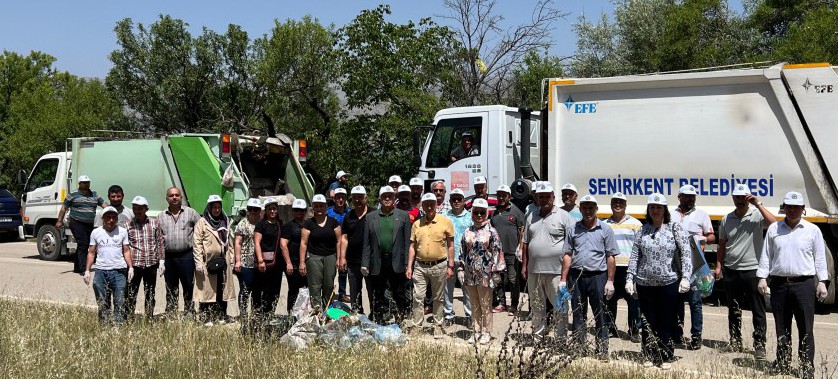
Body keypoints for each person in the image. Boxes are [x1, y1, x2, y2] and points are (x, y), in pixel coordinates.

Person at [757, 191, 828, 379]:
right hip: (779, 284)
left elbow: (820, 258)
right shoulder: (774, 229)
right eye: (789, 206)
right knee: (782, 326)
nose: (792, 210)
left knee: (805, 328)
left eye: (796, 207)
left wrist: (822, 281)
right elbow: (766, 255)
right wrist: (763, 277)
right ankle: (783, 362)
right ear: (784, 208)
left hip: (803, 285)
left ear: (803, 209)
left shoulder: (812, 230)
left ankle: (806, 367)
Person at [625, 193, 692, 370]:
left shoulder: (674, 228)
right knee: (648, 320)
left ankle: (665, 355)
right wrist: (630, 278)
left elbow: (686, 253)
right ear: (648, 209)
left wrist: (686, 276)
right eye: (652, 207)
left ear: (665, 209)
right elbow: (634, 256)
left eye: (659, 207)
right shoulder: (642, 230)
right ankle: (648, 353)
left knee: (666, 319)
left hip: (668, 283)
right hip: (645, 283)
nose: (655, 210)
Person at [714, 184, 775, 359]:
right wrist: (718, 266)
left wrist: (758, 204)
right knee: (733, 309)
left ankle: (759, 345)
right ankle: (735, 341)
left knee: (758, 310)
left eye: (743, 197)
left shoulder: (756, 215)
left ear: (748, 198)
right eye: (737, 197)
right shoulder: (727, 219)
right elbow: (722, 244)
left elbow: (774, 224)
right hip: (732, 270)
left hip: (752, 270)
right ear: (733, 198)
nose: (740, 201)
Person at [561, 195, 617, 360]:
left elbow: (610, 257)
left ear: (596, 209)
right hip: (576, 276)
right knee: (578, 313)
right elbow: (567, 254)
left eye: (591, 207)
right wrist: (563, 279)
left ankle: (602, 350)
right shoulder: (573, 229)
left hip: (598, 276)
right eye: (584, 207)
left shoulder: (605, 230)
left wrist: (610, 280)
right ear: (580, 209)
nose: (587, 211)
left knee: (600, 313)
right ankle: (579, 348)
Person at [521, 182, 575, 341]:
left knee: (560, 307)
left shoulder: (565, 217)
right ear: (536, 198)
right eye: (540, 197)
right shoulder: (531, 216)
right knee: (537, 307)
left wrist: (567, 271)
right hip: (534, 271)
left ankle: (560, 340)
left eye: (547, 196)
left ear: (553, 197)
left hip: (557, 273)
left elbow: (572, 245)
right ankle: (538, 338)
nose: (544, 199)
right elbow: (525, 242)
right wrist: (524, 266)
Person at [671, 184, 715, 350]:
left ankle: (696, 336)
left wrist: (699, 239)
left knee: (695, 302)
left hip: (695, 266)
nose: (690, 199)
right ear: (679, 197)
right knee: (676, 302)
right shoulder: (671, 214)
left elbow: (712, 236)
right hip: (675, 265)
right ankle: (677, 333)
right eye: (686, 196)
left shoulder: (701, 215)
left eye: (692, 197)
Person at [406, 192, 455, 338]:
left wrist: (450, 266)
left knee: (438, 298)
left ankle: (438, 326)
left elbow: (451, 246)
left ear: (435, 205)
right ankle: (417, 326)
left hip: (439, 265)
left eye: (431, 204)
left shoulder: (445, 222)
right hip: (420, 265)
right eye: (426, 204)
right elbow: (412, 247)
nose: (429, 207)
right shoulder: (417, 224)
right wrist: (409, 266)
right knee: (418, 297)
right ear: (422, 205)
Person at [362, 186, 412, 323]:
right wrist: (365, 264)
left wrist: (408, 264)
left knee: (399, 292)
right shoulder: (370, 217)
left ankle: (400, 319)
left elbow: (407, 243)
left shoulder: (403, 216)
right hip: (377, 261)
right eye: (384, 196)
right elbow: (366, 244)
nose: (387, 199)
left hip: (396, 261)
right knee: (377, 292)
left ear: (394, 198)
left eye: (390, 196)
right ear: (380, 199)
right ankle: (378, 319)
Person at [461, 198, 504, 344]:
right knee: (474, 304)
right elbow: (463, 251)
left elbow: (498, 252)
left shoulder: (492, 232)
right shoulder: (467, 231)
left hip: (486, 274)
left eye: (482, 212)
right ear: (472, 213)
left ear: (486, 213)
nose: (479, 215)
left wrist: (496, 272)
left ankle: (486, 331)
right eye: (476, 212)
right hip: (470, 274)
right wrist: (461, 268)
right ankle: (475, 330)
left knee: (486, 304)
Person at [602, 192, 643, 342]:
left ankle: (634, 330)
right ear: (611, 205)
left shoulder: (636, 224)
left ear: (625, 205)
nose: (618, 205)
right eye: (615, 202)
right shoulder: (604, 224)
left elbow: (641, 247)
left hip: (629, 269)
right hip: (611, 268)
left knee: (633, 301)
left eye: (621, 202)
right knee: (609, 300)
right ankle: (610, 328)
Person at [83, 206, 132, 324]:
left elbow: (126, 250)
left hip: (119, 271)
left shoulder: (122, 231)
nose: (111, 220)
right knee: (102, 300)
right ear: (102, 218)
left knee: (119, 300)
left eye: (114, 217)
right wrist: (87, 270)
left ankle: (118, 325)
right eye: (108, 217)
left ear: (117, 219)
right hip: (101, 270)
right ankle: (104, 324)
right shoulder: (96, 232)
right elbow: (91, 252)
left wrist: (130, 267)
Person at [193, 194, 236, 326]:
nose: (217, 210)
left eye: (219, 207)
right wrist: (199, 262)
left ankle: (221, 314)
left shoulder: (225, 221)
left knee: (222, 289)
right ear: (209, 208)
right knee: (207, 291)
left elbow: (230, 242)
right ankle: (207, 317)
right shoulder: (202, 222)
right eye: (214, 207)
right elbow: (197, 243)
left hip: (223, 262)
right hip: (207, 262)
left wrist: (232, 259)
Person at [159, 187, 202, 317]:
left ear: (181, 197)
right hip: (169, 257)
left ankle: (189, 311)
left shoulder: (191, 213)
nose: (174, 197)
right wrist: (160, 259)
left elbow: (201, 230)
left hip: (187, 255)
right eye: (171, 196)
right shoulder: (161, 216)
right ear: (167, 198)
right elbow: (158, 239)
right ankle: (171, 311)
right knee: (171, 286)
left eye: (177, 195)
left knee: (188, 284)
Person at [124, 196, 164, 320]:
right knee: (131, 293)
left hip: (151, 264)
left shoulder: (154, 223)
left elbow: (160, 242)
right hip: (135, 264)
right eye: (135, 208)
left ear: (146, 209)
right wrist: (128, 265)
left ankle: (149, 317)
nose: (137, 211)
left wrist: (161, 261)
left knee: (150, 293)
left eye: (140, 208)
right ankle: (129, 317)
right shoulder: (128, 225)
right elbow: (125, 246)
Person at [299, 194, 342, 311]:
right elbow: (303, 243)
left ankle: (328, 311)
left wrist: (339, 258)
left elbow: (339, 241)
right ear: (313, 208)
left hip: (330, 256)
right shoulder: (308, 223)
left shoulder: (333, 222)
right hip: (314, 257)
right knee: (315, 286)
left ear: (326, 207)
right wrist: (302, 262)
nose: (319, 209)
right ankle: (317, 312)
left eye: (321, 206)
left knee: (328, 285)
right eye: (316, 206)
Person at [57, 175, 105, 274]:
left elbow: (104, 204)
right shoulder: (73, 194)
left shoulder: (94, 194)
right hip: (76, 222)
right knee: (83, 243)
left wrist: (112, 210)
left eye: (87, 182)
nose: (86, 184)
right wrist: (59, 221)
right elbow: (63, 208)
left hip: (90, 223)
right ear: (79, 184)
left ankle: (77, 267)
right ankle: (83, 269)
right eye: (83, 182)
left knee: (85, 244)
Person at [490, 185, 525, 315]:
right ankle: (502, 303)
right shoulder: (494, 212)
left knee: (512, 279)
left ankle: (514, 305)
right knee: (498, 279)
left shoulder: (515, 211)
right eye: (499, 195)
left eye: (504, 195)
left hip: (511, 252)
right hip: (498, 253)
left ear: (509, 196)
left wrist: (520, 247)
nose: (501, 197)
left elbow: (522, 229)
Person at [443, 189, 472, 323]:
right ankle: (448, 314)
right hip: (447, 258)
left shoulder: (470, 217)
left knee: (467, 289)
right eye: (453, 199)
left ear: (464, 201)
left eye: (459, 199)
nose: (456, 201)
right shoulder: (444, 216)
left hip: (464, 260)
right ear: (449, 201)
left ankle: (469, 315)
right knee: (447, 290)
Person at [342, 186, 371, 313]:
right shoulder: (349, 216)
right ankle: (357, 315)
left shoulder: (373, 214)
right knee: (354, 292)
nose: (357, 200)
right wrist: (342, 257)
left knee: (372, 290)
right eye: (355, 197)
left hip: (370, 261)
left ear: (366, 197)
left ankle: (375, 315)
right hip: (352, 261)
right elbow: (344, 238)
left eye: (360, 197)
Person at [254, 198, 283, 319]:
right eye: (270, 209)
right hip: (264, 262)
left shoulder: (279, 223)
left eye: (274, 209)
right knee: (263, 288)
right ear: (265, 211)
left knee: (275, 288)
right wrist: (260, 260)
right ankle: (261, 312)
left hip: (277, 262)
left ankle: (271, 312)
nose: (272, 211)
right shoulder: (261, 225)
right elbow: (257, 243)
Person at [234, 198, 262, 318]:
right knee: (245, 290)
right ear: (247, 210)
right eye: (251, 209)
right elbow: (238, 243)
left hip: (259, 263)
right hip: (246, 262)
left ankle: (256, 314)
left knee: (257, 291)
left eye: (255, 209)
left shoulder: (262, 223)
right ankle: (243, 314)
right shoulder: (242, 224)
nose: (253, 212)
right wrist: (238, 261)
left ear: (259, 210)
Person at [280, 199, 309, 314]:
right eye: (297, 210)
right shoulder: (288, 226)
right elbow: (283, 245)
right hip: (293, 262)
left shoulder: (308, 225)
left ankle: (303, 313)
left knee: (306, 289)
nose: (299, 213)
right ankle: (291, 313)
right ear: (292, 212)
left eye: (302, 210)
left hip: (306, 261)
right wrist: (288, 263)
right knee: (294, 289)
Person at [328, 187, 351, 303]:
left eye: (342, 197)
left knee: (343, 270)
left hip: (345, 245)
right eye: (338, 197)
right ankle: (330, 293)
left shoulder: (350, 212)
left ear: (346, 198)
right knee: (331, 270)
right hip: (332, 245)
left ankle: (342, 293)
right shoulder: (329, 212)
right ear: (334, 199)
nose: (340, 200)